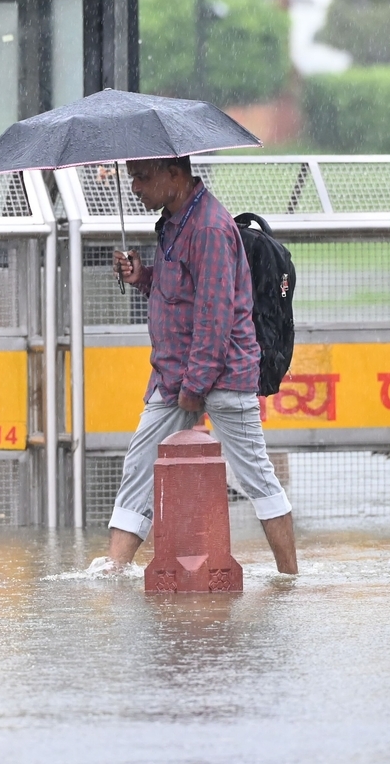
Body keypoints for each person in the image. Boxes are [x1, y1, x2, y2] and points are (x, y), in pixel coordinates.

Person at [107, 155, 298, 574]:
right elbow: (181, 293)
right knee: (139, 467)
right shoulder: (174, 223)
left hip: (218, 378)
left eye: (142, 177)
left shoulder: (209, 227)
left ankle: (290, 574)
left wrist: (194, 389)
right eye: (132, 178)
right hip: (173, 375)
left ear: (175, 175)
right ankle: (113, 570)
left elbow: (214, 318)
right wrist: (143, 276)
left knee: (255, 476)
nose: (135, 187)